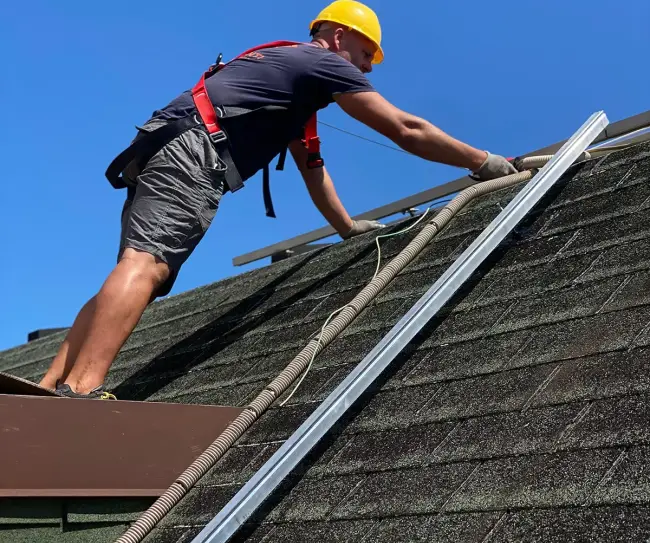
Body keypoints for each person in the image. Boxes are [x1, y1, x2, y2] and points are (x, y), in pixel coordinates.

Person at [40, 0, 518, 399]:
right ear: (337, 36)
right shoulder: (321, 63)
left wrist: (348, 229)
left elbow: (314, 172)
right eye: (365, 52)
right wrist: (483, 162)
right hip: (195, 148)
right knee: (147, 265)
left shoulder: (284, 77)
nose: (368, 66)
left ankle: (49, 385)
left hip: (165, 144)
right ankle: (81, 392)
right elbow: (406, 128)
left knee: (136, 266)